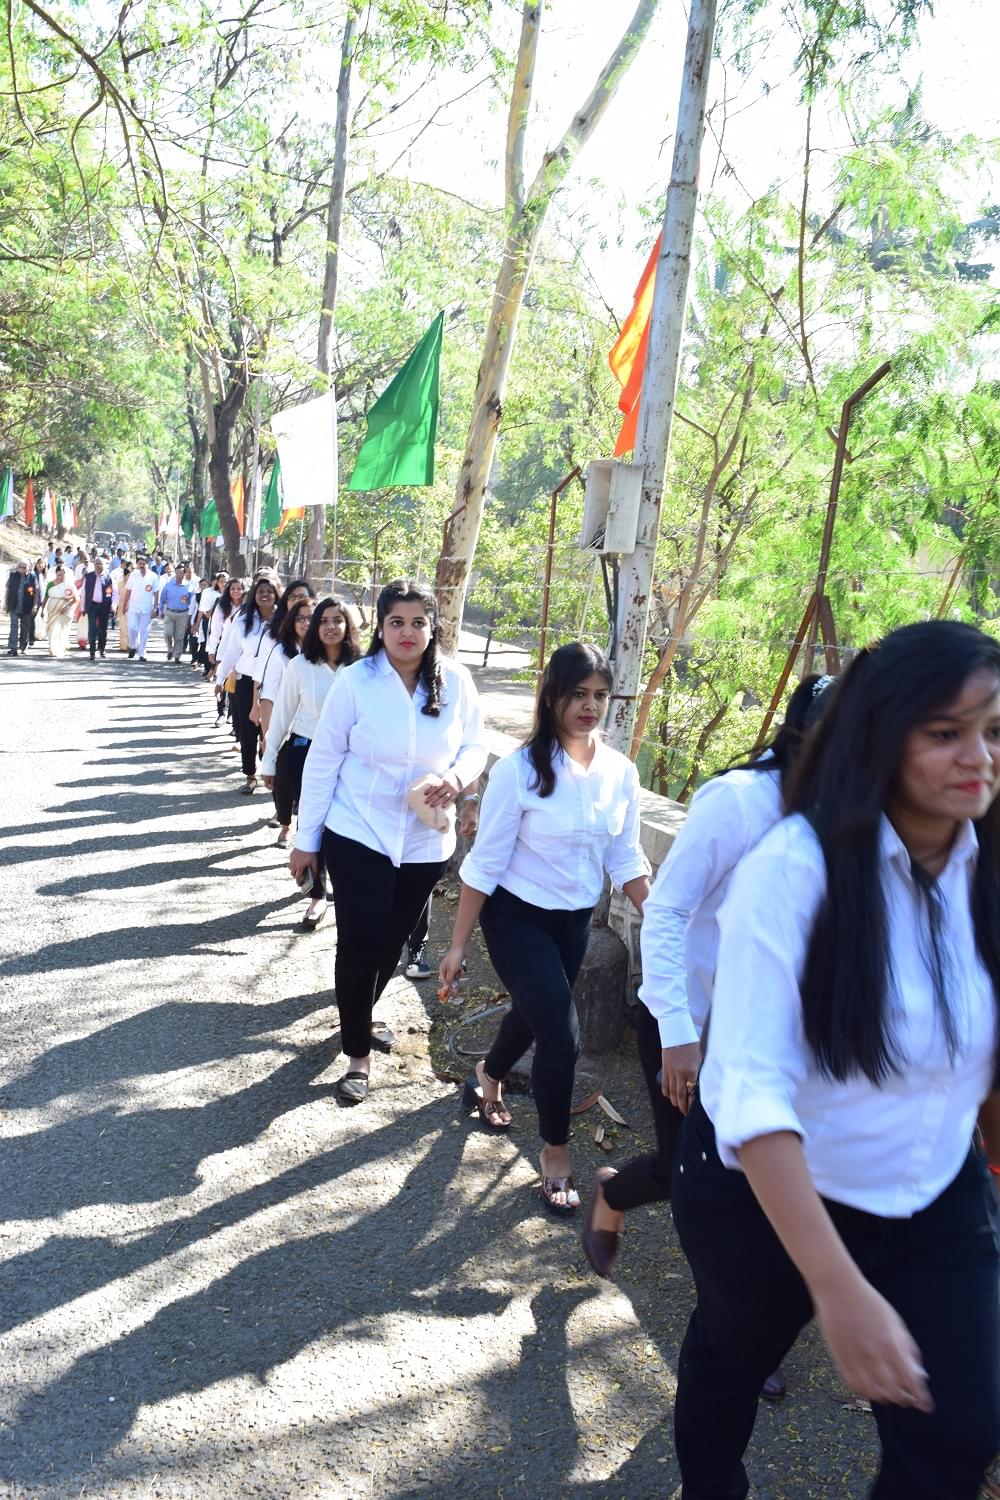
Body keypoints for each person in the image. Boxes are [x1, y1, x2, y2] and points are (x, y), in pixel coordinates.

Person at [671, 620, 1000, 1500]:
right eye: (946, 732)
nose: (979, 758)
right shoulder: (794, 868)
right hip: (768, 1194)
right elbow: (753, 1094)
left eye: (995, 731)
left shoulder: (988, 866)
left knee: (961, 1431)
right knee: (732, 1362)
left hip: (934, 1190)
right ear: (880, 735)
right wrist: (838, 1289)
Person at [581, 675, 835, 1304]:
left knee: (749, 1173)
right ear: (804, 734)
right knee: (693, 1175)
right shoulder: (740, 801)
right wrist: (677, 1034)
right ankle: (617, 1198)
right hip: (690, 1024)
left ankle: (742, 1308)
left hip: (774, 1037)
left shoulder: (852, 809)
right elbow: (666, 911)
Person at [439, 642, 650, 1215]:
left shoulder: (620, 773)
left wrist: (657, 917)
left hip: (573, 921)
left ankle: (488, 1073)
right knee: (561, 1033)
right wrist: (457, 944)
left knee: (534, 1012)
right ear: (552, 696)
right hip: (515, 917)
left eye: (600, 695)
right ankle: (555, 1154)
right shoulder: (519, 772)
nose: (590, 706)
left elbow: (625, 856)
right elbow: (484, 864)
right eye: (578, 694)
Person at [290, 578, 487, 1104]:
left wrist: (457, 779)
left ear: (433, 628)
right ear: (380, 626)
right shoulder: (356, 682)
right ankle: (357, 1052)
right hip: (358, 830)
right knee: (360, 942)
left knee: (391, 943)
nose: (407, 632)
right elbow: (323, 761)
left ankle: (356, 1013)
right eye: (396, 622)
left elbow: (475, 744)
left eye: (418, 622)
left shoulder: (456, 682)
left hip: (424, 842)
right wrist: (306, 840)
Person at [261, 596, 360, 905]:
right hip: (305, 754)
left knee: (340, 825)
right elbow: (282, 716)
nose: (331, 627)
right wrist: (269, 761)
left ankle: (344, 887)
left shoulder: (361, 669)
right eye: (324, 621)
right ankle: (316, 896)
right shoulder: (300, 666)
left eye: (337, 620)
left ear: (348, 625)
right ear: (315, 626)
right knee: (313, 823)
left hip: (350, 759)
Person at [216, 573, 278, 792]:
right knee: (247, 730)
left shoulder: (285, 621)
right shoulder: (243, 620)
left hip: (274, 683)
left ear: (277, 594)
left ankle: (272, 769)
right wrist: (220, 678)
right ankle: (250, 775)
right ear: (254, 595)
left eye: (269, 591)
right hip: (245, 681)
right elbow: (232, 652)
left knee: (272, 730)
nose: (265, 595)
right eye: (260, 591)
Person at [122, 557, 157, 660]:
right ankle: (133, 645)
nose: (142, 566)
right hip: (134, 607)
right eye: (140, 564)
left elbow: (156, 592)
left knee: (144, 631)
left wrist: (155, 607)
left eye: (143, 564)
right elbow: (128, 591)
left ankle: (142, 653)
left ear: (147, 564)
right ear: (137, 565)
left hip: (147, 608)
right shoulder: (133, 575)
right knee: (132, 628)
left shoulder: (153, 576)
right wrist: (124, 605)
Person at [158, 568, 193, 663]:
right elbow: (162, 599)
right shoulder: (168, 585)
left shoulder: (188, 586)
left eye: (181, 573)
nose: (179, 575)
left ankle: (177, 655)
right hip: (169, 613)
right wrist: (160, 611)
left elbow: (192, 601)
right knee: (167, 633)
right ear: (175, 573)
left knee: (179, 637)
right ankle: (170, 649)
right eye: (177, 573)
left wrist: (191, 615)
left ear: (184, 574)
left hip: (183, 614)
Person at [81, 556, 113, 660]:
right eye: (96, 564)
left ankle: (102, 649)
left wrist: (114, 605)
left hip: (104, 606)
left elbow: (115, 593)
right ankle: (92, 652)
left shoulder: (109, 578)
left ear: (104, 565)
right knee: (92, 629)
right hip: (92, 606)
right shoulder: (88, 577)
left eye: (100, 564)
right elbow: (83, 593)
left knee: (103, 629)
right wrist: (82, 608)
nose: (98, 566)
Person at [44, 565, 79, 657]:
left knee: (62, 631)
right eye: (58, 575)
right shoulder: (50, 584)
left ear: (65, 575)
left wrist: (66, 607)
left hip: (65, 612)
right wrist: (43, 609)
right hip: (52, 610)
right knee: (52, 629)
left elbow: (75, 599)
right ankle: (52, 649)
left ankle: (60, 648)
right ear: (55, 574)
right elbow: (46, 597)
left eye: (62, 575)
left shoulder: (69, 585)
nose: (60, 577)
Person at [5, 561, 37, 655]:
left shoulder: (32, 577)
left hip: (27, 606)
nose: (22, 569)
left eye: (24, 567)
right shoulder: (13, 576)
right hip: (14, 605)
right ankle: (13, 647)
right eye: (20, 567)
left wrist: (35, 605)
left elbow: (36, 592)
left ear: (28, 568)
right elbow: (8, 590)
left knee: (25, 628)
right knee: (14, 626)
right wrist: (6, 604)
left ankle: (23, 647)